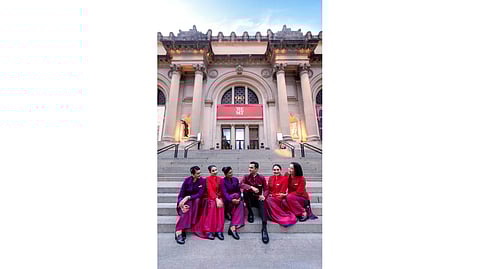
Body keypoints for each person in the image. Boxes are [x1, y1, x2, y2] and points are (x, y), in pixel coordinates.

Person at [175, 166, 206, 244]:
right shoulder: (187, 180)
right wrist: (181, 203)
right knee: (187, 208)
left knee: (196, 201)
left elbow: (200, 194)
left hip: (196, 202)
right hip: (187, 202)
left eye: (200, 173)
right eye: (197, 173)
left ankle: (179, 230)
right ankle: (179, 231)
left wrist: (188, 197)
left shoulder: (202, 181)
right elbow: (181, 194)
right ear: (192, 174)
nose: (200, 175)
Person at [240, 161, 269, 244]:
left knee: (263, 203)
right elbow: (241, 184)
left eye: (251, 168)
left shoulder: (262, 178)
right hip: (249, 199)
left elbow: (266, 189)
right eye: (249, 167)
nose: (249, 169)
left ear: (256, 169)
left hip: (258, 198)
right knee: (245, 192)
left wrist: (264, 196)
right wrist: (251, 187)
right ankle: (250, 213)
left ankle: (264, 228)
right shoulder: (246, 176)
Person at [197, 165, 225, 240]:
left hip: (218, 197)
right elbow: (210, 190)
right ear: (209, 172)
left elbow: (222, 190)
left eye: (216, 170)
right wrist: (216, 199)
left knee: (220, 205)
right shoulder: (207, 179)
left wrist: (219, 198)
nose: (215, 172)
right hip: (209, 197)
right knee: (212, 205)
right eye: (213, 171)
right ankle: (208, 230)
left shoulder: (220, 179)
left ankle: (219, 230)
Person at [220, 166, 245, 240]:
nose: (231, 174)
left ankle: (233, 227)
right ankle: (228, 213)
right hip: (227, 200)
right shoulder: (222, 181)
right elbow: (225, 193)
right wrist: (232, 200)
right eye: (229, 173)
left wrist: (239, 198)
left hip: (236, 199)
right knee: (235, 196)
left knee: (240, 201)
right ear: (225, 174)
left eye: (231, 172)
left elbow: (238, 191)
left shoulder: (235, 179)